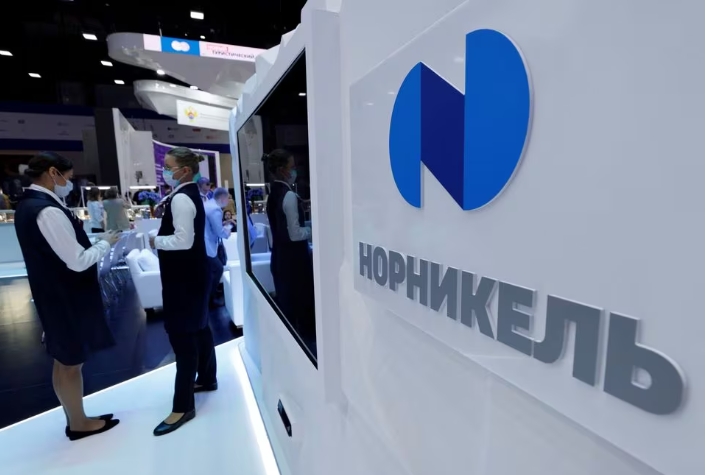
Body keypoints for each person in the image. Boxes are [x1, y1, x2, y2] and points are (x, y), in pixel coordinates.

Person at [14, 151, 121, 440]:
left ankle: (75, 417)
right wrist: (105, 243)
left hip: (54, 294)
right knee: (71, 363)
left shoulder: (30, 205)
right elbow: (77, 261)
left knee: (64, 361)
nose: (70, 183)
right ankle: (78, 423)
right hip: (66, 296)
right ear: (53, 173)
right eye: (69, 177)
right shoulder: (46, 210)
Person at [149, 146, 216, 436]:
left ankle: (183, 406)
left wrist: (156, 241)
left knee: (183, 336)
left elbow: (183, 240)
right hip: (193, 275)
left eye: (169, 166)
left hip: (184, 280)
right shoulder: (188, 195)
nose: (165, 171)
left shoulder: (181, 199)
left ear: (185, 170)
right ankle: (208, 378)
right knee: (199, 327)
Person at [262, 149, 316, 350]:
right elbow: (295, 234)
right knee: (300, 307)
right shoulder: (289, 196)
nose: (295, 171)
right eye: (292, 167)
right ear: (282, 170)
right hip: (295, 262)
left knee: (288, 308)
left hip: (280, 259)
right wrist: (314, 229)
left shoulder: (273, 195)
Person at [205, 188, 233, 308]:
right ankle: (210, 299)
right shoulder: (216, 210)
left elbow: (211, 225)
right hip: (207, 245)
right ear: (222, 197)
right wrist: (227, 231)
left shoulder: (208, 204)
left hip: (205, 243)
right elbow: (220, 232)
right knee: (218, 269)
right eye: (228, 198)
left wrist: (222, 225)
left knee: (212, 270)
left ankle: (211, 294)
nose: (229, 200)